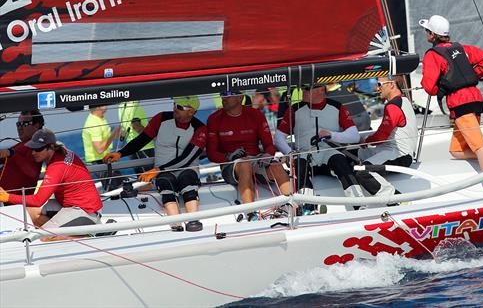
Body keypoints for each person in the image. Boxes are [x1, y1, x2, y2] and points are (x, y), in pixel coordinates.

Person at [419, 14, 483, 191]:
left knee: (479, 147)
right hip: (474, 98)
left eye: (427, 31)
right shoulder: (462, 48)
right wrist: (470, 76)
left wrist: (448, 83)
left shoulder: (432, 55)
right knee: (456, 150)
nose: (426, 34)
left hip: (460, 104)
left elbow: (429, 87)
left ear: (432, 35)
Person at [104, 96, 206, 232]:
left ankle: (194, 222)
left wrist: (157, 170)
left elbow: (186, 158)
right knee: (166, 183)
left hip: (186, 169)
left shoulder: (200, 129)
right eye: (175, 104)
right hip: (163, 173)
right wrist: (120, 153)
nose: (174, 108)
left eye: (180, 107)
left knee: (187, 181)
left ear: (191, 112)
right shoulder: (161, 119)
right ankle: (176, 227)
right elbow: (141, 140)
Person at [275, 84, 383, 211]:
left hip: (329, 153)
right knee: (300, 165)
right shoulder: (294, 109)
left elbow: (354, 135)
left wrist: (331, 135)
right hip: (305, 154)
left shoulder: (337, 107)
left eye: (306, 88)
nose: (302, 91)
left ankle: (359, 204)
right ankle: (307, 208)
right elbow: (278, 137)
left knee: (341, 161)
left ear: (320, 90)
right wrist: (290, 152)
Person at [206, 89, 291, 221]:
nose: (223, 97)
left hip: (256, 161)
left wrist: (267, 156)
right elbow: (211, 154)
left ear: (240, 97)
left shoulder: (255, 115)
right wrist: (228, 157)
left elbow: (269, 145)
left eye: (228, 95)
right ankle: (251, 214)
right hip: (231, 165)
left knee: (276, 166)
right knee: (244, 164)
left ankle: (294, 209)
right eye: (222, 94)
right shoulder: (214, 119)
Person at [0, 129, 102, 237]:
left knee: (42, 237)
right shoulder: (60, 149)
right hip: (70, 204)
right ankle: (59, 232)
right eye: (32, 148)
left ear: (50, 148)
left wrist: (7, 197)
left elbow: (38, 200)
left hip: (85, 210)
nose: (34, 153)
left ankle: (89, 234)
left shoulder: (56, 167)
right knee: (30, 212)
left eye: (38, 149)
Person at [360, 76, 417, 169]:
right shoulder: (405, 100)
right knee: (360, 153)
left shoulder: (393, 106)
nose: (377, 89)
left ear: (391, 84)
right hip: (397, 152)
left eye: (379, 85)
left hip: (400, 155)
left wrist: (365, 141)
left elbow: (381, 137)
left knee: (362, 172)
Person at [0, 110, 46, 197]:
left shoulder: (37, 145)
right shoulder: (22, 145)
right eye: (18, 124)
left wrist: (12, 154)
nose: (20, 128)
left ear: (36, 126)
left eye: (24, 124)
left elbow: (33, 173)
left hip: (13, 202)